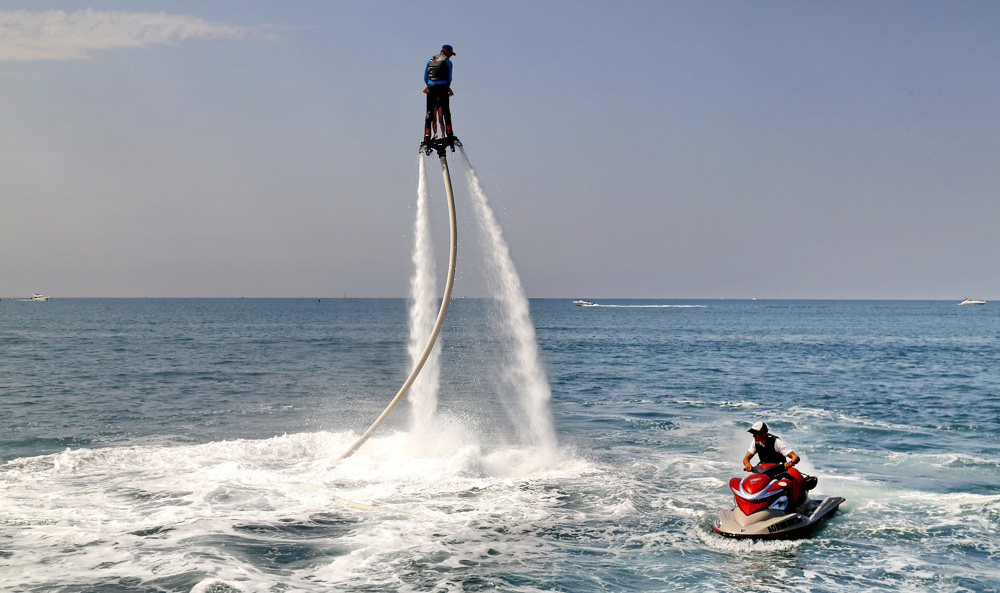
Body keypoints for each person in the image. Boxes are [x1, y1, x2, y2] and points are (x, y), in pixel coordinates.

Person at [743, 420, 805, 506]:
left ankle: (793, 511)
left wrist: (791, 462)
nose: (753, 435)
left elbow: (795, 457)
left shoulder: (776, 442)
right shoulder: (755, 443)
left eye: (755, 433)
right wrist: (748, 465)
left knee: (787, 485)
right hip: (764, 473)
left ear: (764, 433)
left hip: (780, 473)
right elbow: (746, 458)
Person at [423, 45, 456, 141]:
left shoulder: (430, 60)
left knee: (429, 112)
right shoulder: (448, 62)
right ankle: (449, 133)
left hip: (431, 88)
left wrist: (430, 85)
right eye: (450, 53)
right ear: (447, 52)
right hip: (443, 88)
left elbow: (425, 77)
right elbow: (449, 78)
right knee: (446, 111)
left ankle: (427, 134)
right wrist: (446, 87)